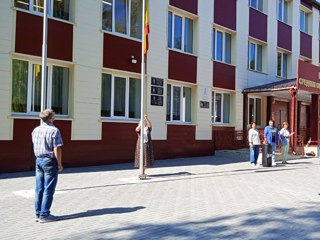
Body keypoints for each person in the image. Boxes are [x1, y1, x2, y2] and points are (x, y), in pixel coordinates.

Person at [32, 109, 63, 223]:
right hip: (49, 161)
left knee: (39, 188)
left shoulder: (35, 130)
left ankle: (38, 212)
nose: (55, 117)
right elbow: (57, 148)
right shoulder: (54, 130)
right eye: (54, 116)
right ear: (51, 118)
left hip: (38, 160)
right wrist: (59, 163)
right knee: (48, 188)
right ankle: (44, 215)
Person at [134, 114, 154, 179]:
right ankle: (141, 171)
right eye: (142, 122)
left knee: (146, 158)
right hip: (140, 144)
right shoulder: (140, 129)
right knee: (140, 158)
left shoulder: (148, 129)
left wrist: (146, 119)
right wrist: (140, 124)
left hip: (146, 144)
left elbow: (150, 125)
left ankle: (143, 171)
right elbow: (136, 129)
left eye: (144, 123)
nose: (144, 123)